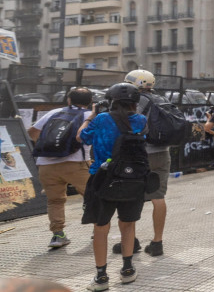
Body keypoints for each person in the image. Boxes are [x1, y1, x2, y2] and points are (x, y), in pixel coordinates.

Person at [78, 83, 148, 291]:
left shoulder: (101, 119)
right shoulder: (141, 120)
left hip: (103, 179)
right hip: (133, 179)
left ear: (111, 101)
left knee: (101, 228)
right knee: (128, 224)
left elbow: (81, 137)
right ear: (135, 103)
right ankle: (127, 270)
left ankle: (101, 277)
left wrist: (91, 115)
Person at [28, 87, 94, 249]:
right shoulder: (90, 116)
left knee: (55, 200)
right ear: (90, 102)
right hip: (77, 164)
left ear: (69, 100)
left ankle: (58, 235)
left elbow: (32, 132)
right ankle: (98, 230)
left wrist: (50, 147)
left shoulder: (54, 112)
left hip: (46, 166)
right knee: (94, 196)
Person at [114, 69, 168, 257]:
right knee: (158, 196)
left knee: (131, 197)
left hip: (139, 153)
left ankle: (130, 241)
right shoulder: (162, 99)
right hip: (162, 152)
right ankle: (157, 242)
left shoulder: (135, 101)